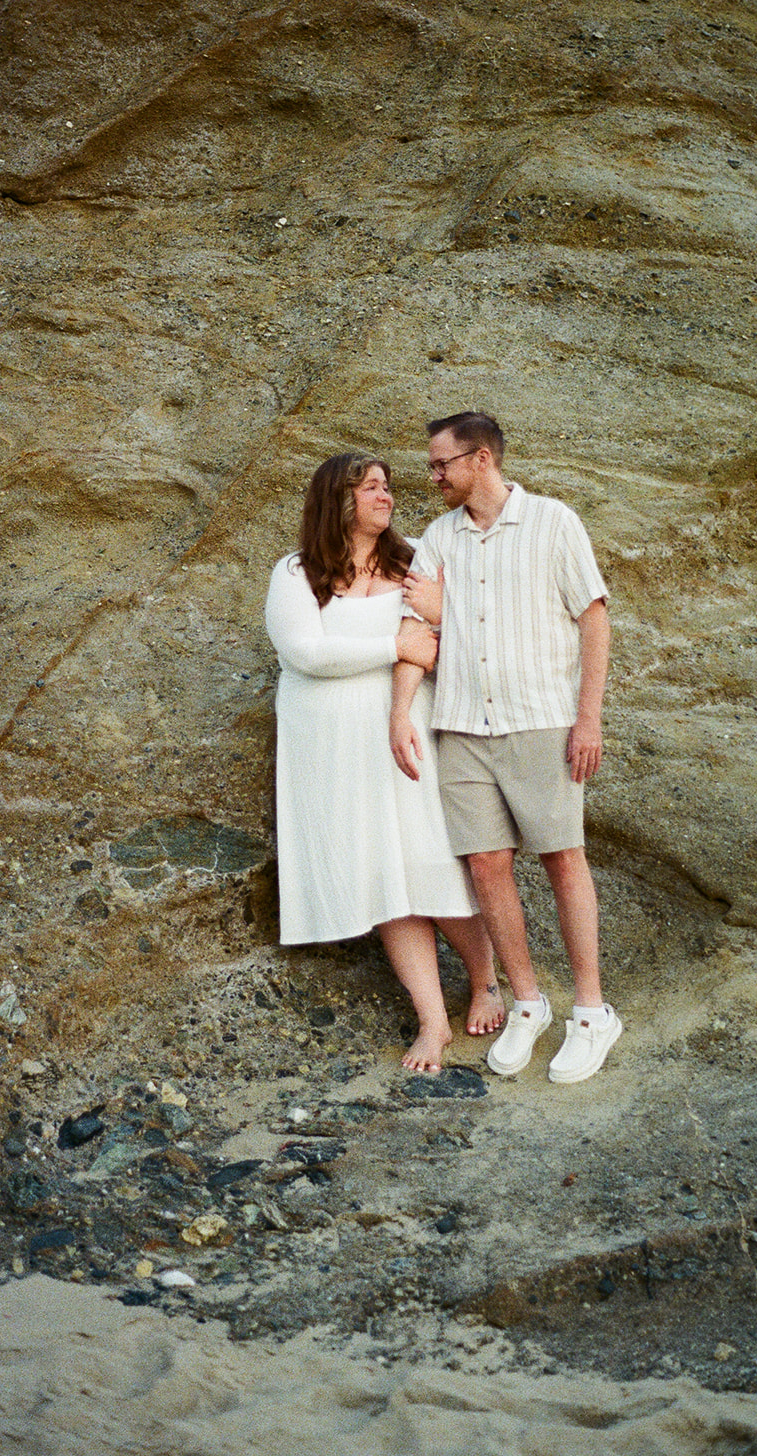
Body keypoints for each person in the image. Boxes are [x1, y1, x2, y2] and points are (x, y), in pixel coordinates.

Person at [390, 412, 621, 1084]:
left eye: (441, 465)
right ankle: (526, 1002)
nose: (432, 477)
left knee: (561, 859)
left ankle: (590, 1011)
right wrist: (401, 712)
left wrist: (587, 720)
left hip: (539, 720)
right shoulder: (437, 537)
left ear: (481, 458)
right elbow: (416, 630)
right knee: (486, 866)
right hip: (461, 727)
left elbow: (593, 619)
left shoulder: (553, 522)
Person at [264, 451, 504, 1074]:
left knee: (431, 860)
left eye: (387, 486)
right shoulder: (295, 573)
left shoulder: (416, 558)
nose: (385, 495)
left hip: (407, 738)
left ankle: (486, 980)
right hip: (332, 751)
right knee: (384, 880)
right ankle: (433, 1020)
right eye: (369, 486)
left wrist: (422, 635)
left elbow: (459, 630)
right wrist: (391, 643)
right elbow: (303, 653)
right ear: (335, 501)